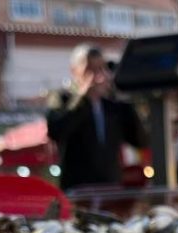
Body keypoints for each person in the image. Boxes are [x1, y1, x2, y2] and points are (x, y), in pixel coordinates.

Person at [47, 45, 148, 189]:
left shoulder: (113, 105)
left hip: (110, 188)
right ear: (74, 71)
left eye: (101, 69)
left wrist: (123, 98)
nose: (97, 76)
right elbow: (56, 132)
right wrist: (84, 99)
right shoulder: (62, 98)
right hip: (77, 189)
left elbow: (141, 140)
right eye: (90, 70)